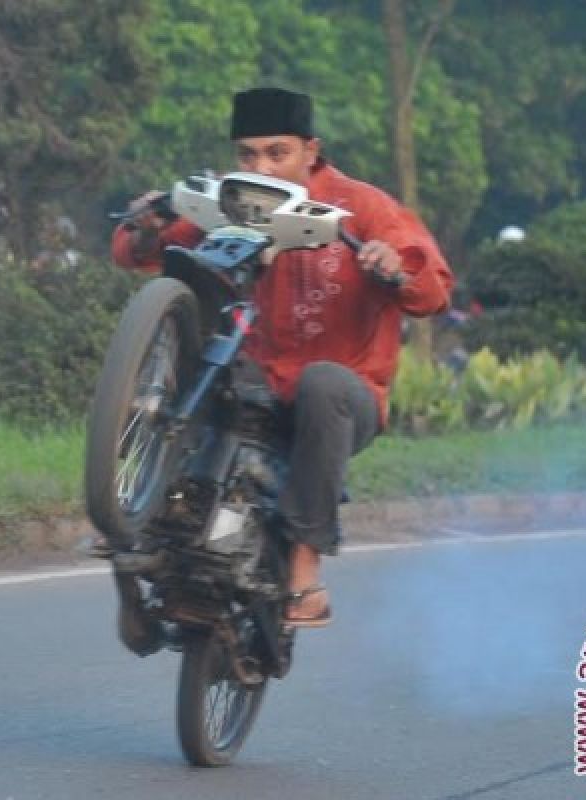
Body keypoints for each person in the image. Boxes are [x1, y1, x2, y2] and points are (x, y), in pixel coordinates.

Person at [108, 88, 453, 628]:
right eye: (248, 155)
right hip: (253, 389)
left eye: (278, 153)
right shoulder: (230, 199)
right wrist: (145, 226)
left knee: (322, 383)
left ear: (310, 151)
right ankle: (146, 546)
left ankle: (305, 572)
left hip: (340, 401)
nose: (261, 166)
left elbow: (432, 291)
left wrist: (393, 267)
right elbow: (142, 252)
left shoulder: (363, 207)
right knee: (201, 373)